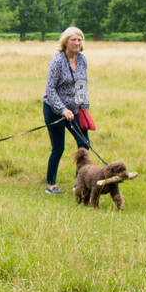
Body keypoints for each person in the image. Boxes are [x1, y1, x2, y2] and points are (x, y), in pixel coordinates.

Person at [42, 26, 91, 194]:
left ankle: (80, 182)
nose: (77, 43)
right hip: (54, 111)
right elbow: (50, 89)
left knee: (84, 144)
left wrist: (84, 109)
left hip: (75, 111)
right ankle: (50, 185)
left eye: (79, 40)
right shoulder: (57, 61)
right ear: (66, 42)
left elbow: (82, 84)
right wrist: (62, 110)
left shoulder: (82, 59)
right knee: (58, 147)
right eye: (73, 40)